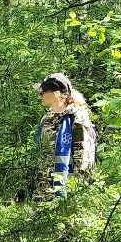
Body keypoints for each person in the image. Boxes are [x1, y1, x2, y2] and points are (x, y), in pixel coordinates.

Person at [28, 72, 93, 201]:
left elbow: (84, 156)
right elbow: (38, 155)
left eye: (43, 91)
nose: (39, 95)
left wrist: (76, 190)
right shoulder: (46, 119)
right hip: (42, 192)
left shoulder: (77, 117)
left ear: (57, 93)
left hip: (67, 190)